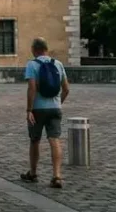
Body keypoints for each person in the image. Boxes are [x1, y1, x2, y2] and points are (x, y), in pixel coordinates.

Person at [22, 37, 69, 189]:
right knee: (54, 140)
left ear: (34, 50)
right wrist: (57, 103)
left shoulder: (32, 64)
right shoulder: (58, 64)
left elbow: (32, 88)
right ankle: (57, 176)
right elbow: (67, 89)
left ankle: (33, 173)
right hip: (55, 107)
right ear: (46, 49)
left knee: (35, 140)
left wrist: (29, 109)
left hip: (37, 108)